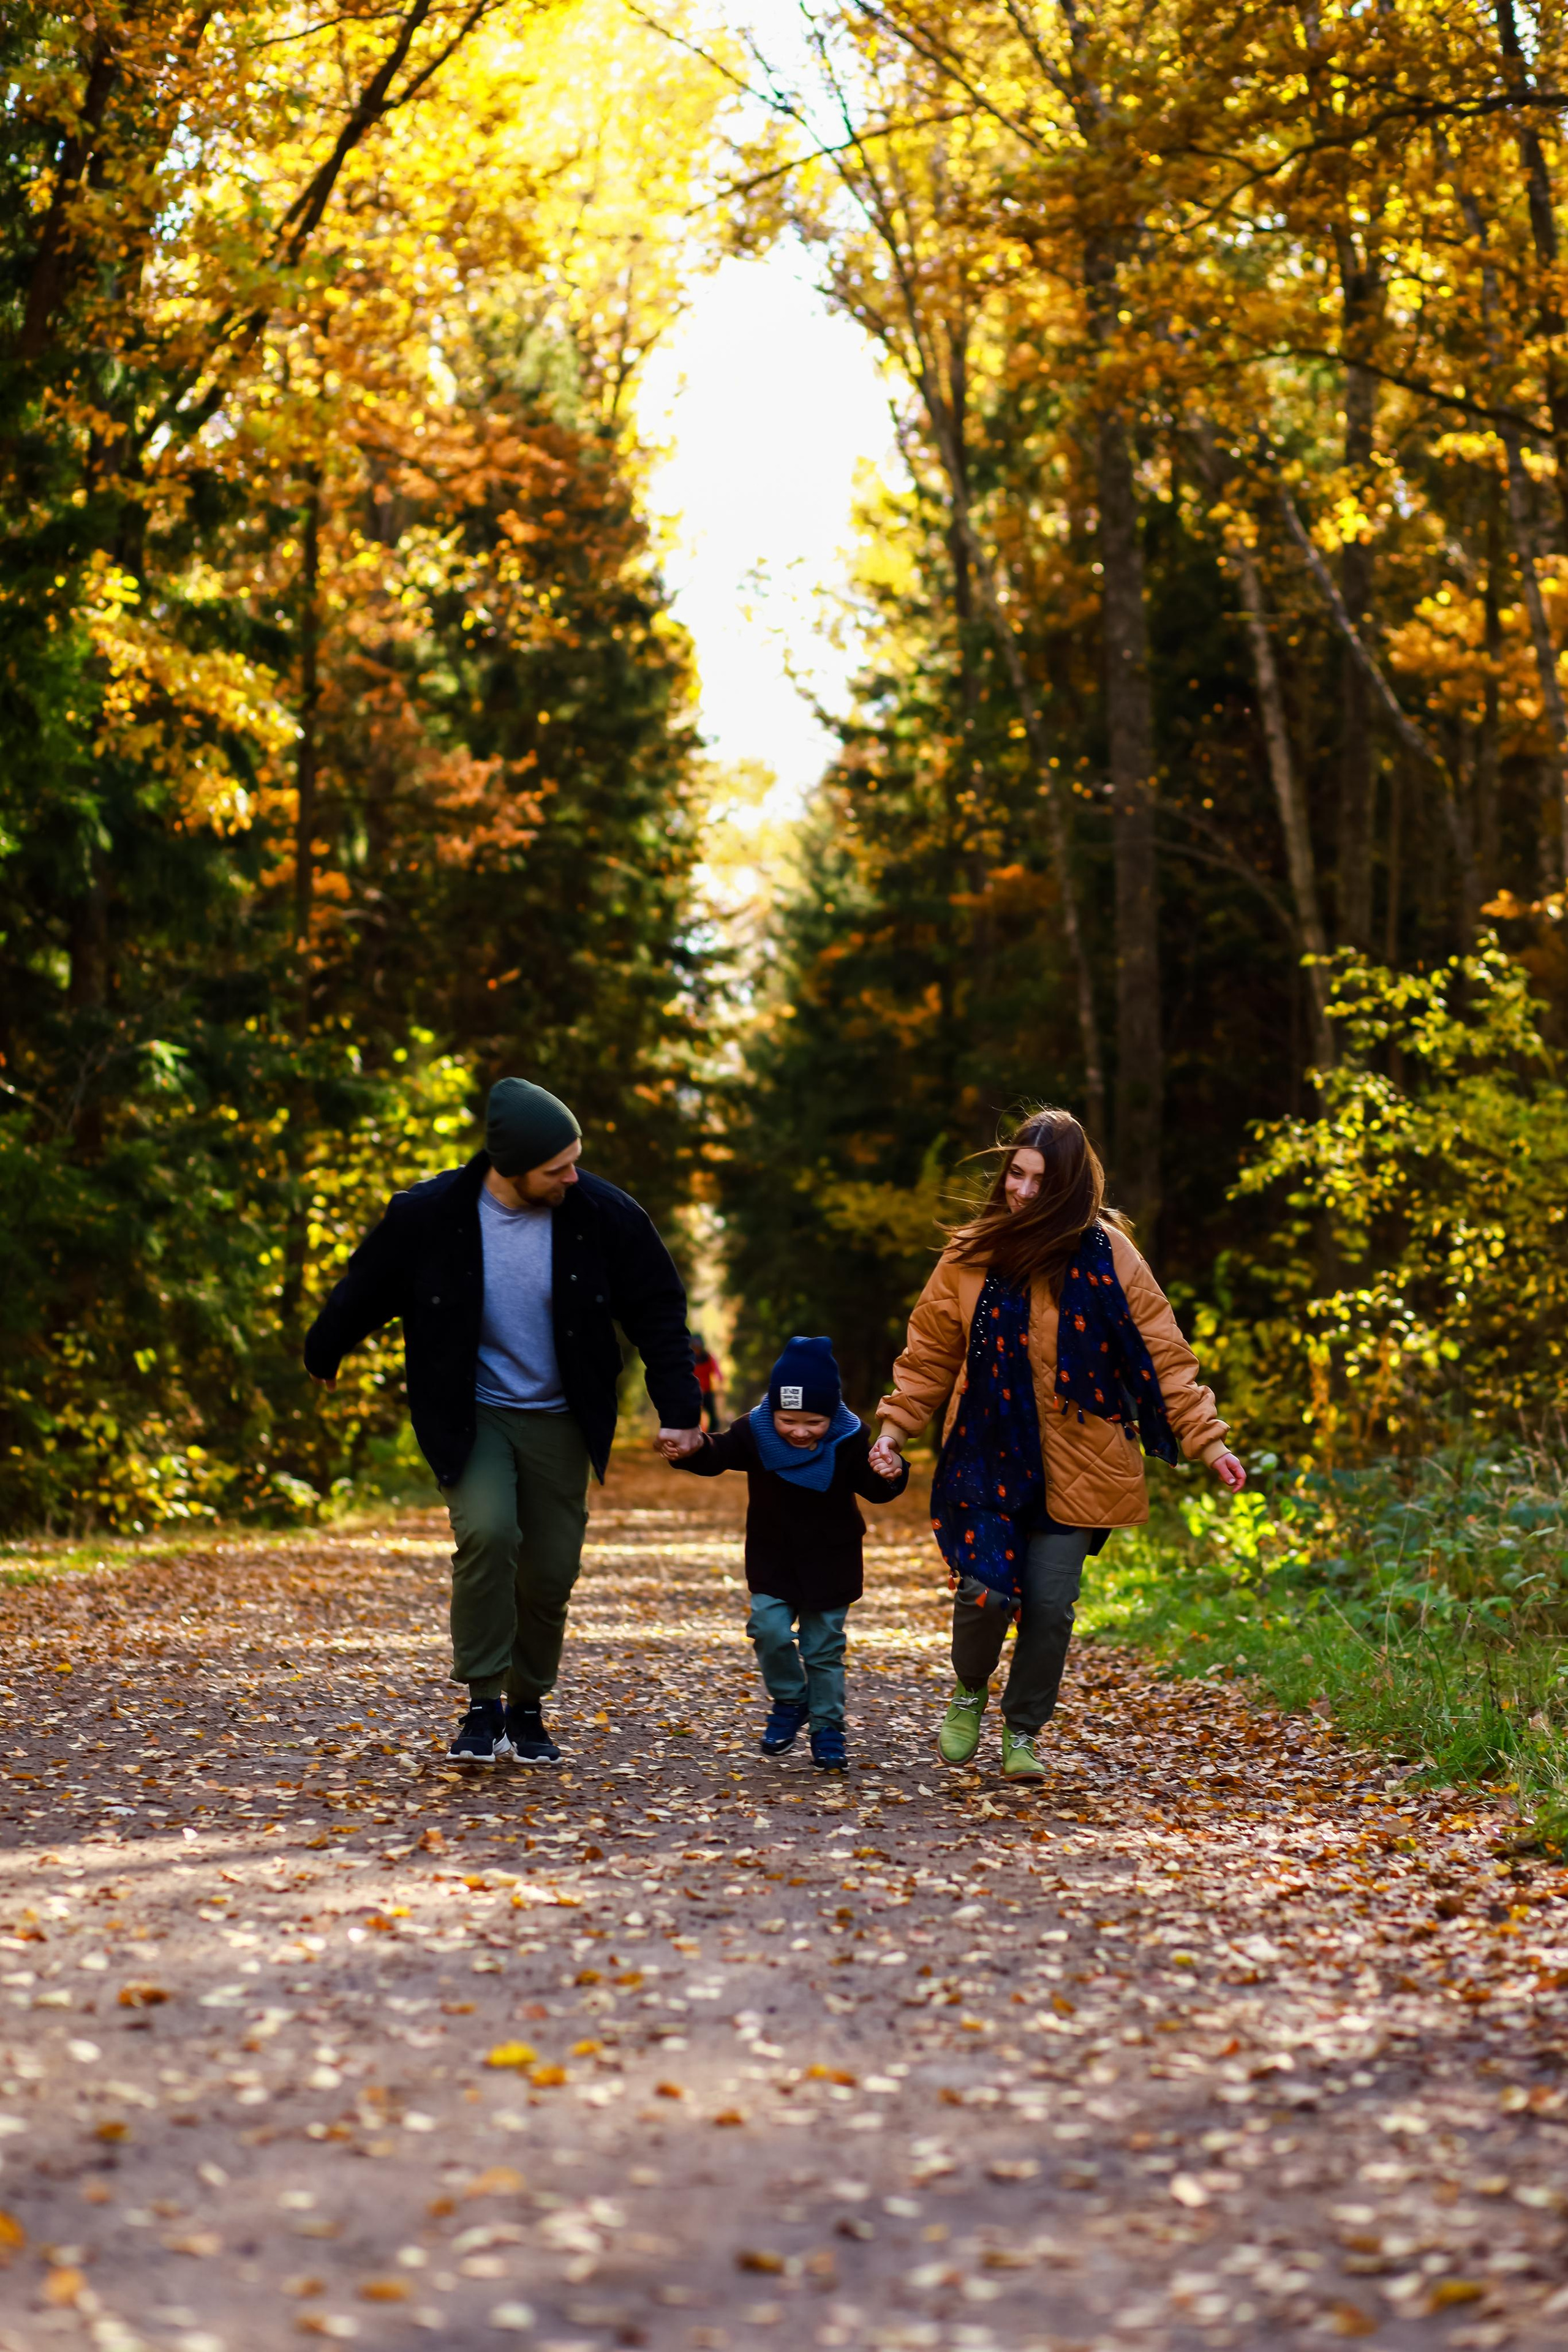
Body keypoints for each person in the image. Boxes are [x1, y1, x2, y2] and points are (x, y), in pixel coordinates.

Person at [304, 1077, 704, 1766]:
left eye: (575, 1161)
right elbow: (369, 1284)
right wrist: (326, 1348)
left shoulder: (604, 1215)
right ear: (511, 1167)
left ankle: (528, 1706)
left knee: (549, 1572)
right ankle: (482, 1704)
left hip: (562, 1418)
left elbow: (658, 1310)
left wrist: (680, 1409)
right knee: (488, 1535)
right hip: (472, 1410)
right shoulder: (431, 1214)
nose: (572, 1176)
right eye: (557, 1167)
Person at [867, 1107, 1245, 1782]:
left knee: (1048, 1605)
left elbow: (1163, 1355)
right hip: (985, 1455)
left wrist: (1207, 1441)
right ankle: (968, 1690)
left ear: (1071, 1185)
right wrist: (894, 1431)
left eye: (1040, 1180)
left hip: (1079, 1462)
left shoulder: (1109, 1255)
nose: (1021, 1191)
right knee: (986, 1594)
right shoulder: (969, 1254)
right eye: (1015, 1173)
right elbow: (928, 1355)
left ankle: (1022, 1732)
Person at [667, 1335, 908, 1771]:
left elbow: (877, 1488)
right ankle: (791, 1700)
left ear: (832, 1414)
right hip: (772, 1556)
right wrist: (694, 1449)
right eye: (788, 1420)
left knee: (823, 1650)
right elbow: (719, 1453)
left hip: (831, 1559)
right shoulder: (754, 1432)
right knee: (768, 1629)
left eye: (813, 1423)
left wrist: (891, 1472)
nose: (799, 1431)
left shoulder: (851, 1439)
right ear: (773, 1411)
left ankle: (828, 1729)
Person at [691, 1332, 725, 1431]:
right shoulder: (689, 1359)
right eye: (694, 1346)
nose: (697, 1348)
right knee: (693, 1417)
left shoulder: (708, 1358)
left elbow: (718, 1373)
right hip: (694, 1393)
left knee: (714, 1419)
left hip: (707, 1393)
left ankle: (710, 1438)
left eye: (698, 1346)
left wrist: (720, 1382)